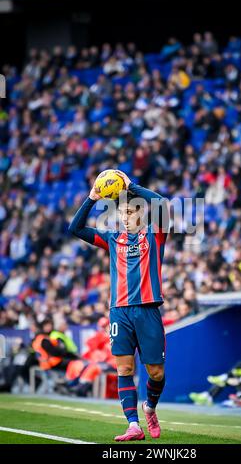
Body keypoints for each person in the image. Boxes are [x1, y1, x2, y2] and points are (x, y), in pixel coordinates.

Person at [69, 169, 169, 441]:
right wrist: (91, 198)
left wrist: (130, 185)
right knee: (124, 369)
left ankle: (150, 407)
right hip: (119, 312)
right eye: (122, 214)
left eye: (130, 213)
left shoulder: (155, 236)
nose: (125, 218)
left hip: (148, 309)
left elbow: (163, 205)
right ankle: (133, 425)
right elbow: (75, 229)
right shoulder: (113, 240)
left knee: (156, 373)